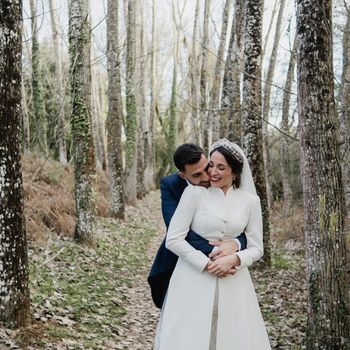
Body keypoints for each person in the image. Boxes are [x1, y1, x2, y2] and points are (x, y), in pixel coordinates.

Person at [154, 139, 271, 350]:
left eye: (220, 167)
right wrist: (207, 263)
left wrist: (235, 257)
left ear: (235, 172)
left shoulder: (250, 202)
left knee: (231, 336)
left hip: (234, 279)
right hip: (192, 276)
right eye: (211, 166)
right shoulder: (193, 193)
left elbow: (257, 247)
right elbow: (174, 238)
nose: (212, 173)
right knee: (190, 335)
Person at [148, 143, 247, 308]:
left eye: (206, 168)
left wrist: (235, 244)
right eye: (196, 175)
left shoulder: (225, 180)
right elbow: (179, 231)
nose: (207, 177)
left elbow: (242, 223)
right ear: (182, 175)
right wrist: (217, 253)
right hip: (179, 260)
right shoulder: (170, 185)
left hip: (227, 264)